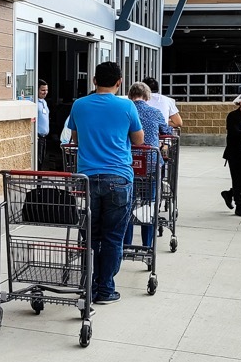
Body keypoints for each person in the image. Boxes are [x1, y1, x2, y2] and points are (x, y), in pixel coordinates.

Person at [63, 62, 143, 304]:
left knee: (90, 234)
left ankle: (89, 283)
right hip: (118, 177)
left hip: (86, 178)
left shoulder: (79, 105)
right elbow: (139, 140)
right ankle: (105, 288)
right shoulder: (127, 105)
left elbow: (75, 138)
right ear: (119, 82)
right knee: (112, 236)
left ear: (94, 80)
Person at [124, 82, 166, 249]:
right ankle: (147, 245)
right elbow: (165, 130)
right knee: (149, 204)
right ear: (147, 96)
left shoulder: (125, 111)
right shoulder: (154, 112)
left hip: (128, 163)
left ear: (130, 95)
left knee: (128, 203)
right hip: (150, 162)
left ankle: (126, 244)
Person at [36, 80, 50, 167]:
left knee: (42, 159)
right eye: (42, 90)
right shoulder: (34, 102)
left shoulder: (44, 102)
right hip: (37, 137)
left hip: (44, 137)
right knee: (38, 160)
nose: (45, 92)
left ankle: (40, 179)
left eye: (46, 90)